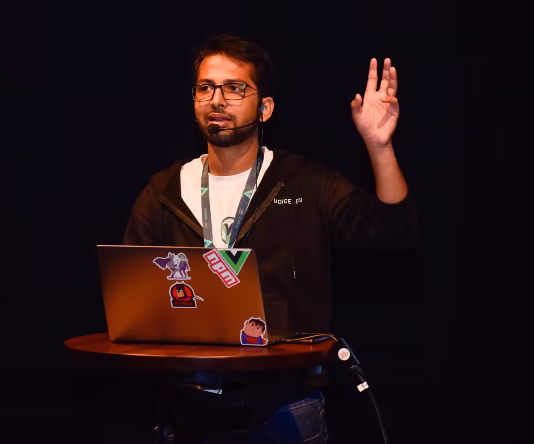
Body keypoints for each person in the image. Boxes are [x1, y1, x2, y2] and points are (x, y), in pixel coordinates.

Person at [124, 34, 417, 443]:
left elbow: (393, 231)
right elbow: (132, 299)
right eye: (205, 87)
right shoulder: (163, 192)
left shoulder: (306, 182)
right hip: (187, 406)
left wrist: (379, 147)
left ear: (265, 108)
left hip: (284, 404)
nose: (217, 99)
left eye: (235, 87)